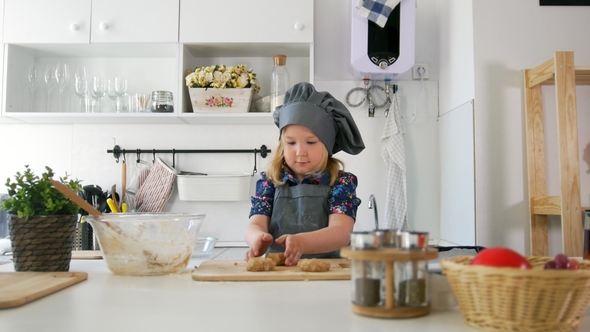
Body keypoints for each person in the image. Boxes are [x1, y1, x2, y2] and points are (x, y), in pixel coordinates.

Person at [244, 82, 365, 266]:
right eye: (291, 143)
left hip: (331, 273)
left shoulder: (340, 183)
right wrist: (257, 239)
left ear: (327, 144)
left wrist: (302, 243)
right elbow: (256, 224)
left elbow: (341, 232)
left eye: (311, 142)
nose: (300, 152)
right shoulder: (270, 181)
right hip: (279, 276)